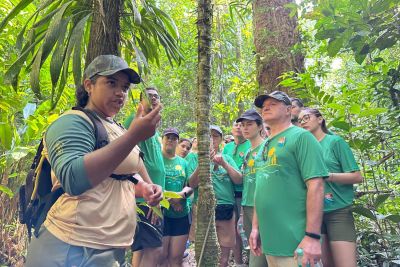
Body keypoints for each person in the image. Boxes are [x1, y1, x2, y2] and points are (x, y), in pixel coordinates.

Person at [25, 55, 163, 267]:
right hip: (71, 248)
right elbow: (73, 179)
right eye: (111, 83)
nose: (120, 92)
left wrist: (144, 188)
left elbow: (114, 177)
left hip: (107, 248)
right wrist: (134, 136)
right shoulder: (72, 122)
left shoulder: (116, 127)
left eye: (125, 87)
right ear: (88, 85)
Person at [249, 91, 329, 267]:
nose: (266, 107)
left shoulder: (302, 137)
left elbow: (316, 185)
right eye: (264, 105)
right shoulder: (264, 146)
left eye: (273, 103)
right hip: (270, 242)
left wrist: (313, 236)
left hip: (297, 243)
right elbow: (260, 189)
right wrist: (255, 228)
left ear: (289, 110)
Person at [298, 108, 363, 267]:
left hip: (338, 211)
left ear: (320, 119)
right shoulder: (302, 148)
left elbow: (357, 176)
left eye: (306, 117)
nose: (303, 122)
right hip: (314, 215)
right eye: (300, 120)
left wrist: (327, 175)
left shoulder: (335, 142)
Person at [190, 125, 243, 267]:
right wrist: (203, 163)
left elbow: (238, 180)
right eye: (208, 135)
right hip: (203, 210)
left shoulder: (227, 158)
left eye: (215, 136)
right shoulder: (194, 158)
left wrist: (224, 164)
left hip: (225, 209)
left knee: (223, 260)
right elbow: (192, 183)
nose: (211, 139)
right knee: (203, 256)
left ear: (220, 140)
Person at [124, 87, 165, 267]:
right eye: (149, 97)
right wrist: (148, 192)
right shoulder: (135, 121)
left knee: (141, 248)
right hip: (145, 197)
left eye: (156, 96)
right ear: (140, 101)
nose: (153, 99)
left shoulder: (153, 128)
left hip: (154, 195)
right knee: (154, 248)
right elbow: (130, 157)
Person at [236, 109, 268, 267]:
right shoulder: (248, 152)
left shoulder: (267, 148)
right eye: (242, 125)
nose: (245, 128)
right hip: (247, 205)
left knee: (260, 254)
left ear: (260, 126)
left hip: (261, 207)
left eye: (249, 124)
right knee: (254, 250)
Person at [159, 128, 193, 267]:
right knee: (162, 257)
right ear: (162, 139)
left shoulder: (183, 163)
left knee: (176, 257)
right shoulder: (157, 160)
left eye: (174, 138)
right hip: (161, 215)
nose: (171, 140)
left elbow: (190, 186)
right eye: (168, 137)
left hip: (181, 215)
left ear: (177, 141)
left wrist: (180, 196)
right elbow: (153, 184)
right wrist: (173, 200)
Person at [222, 121, 251, 266]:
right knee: (234, 231)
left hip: (246, 193)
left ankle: (252, 260)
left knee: (246, 229)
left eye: (243, 124)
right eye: (236, 124)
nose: (239, 126)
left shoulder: (251, 145)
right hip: (228, 194)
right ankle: (239, 262)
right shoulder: (227, 147)